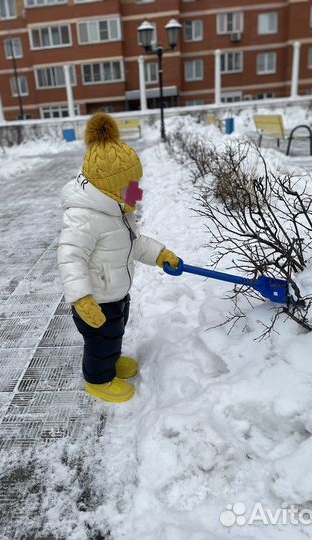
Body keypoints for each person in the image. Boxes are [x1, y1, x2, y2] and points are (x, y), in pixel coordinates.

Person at [57, 113, 179, 403]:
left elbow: (133, 245)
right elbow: (70, 258)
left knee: (113, 335)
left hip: (115, 295)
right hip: (95, 301)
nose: (137, 191)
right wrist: (81, 298)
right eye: (132, 186)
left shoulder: (118, 212)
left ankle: (110, 362)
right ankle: (97, 379)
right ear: (110, 187)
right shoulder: (85, 218)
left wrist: (160, 254)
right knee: (100, 342)